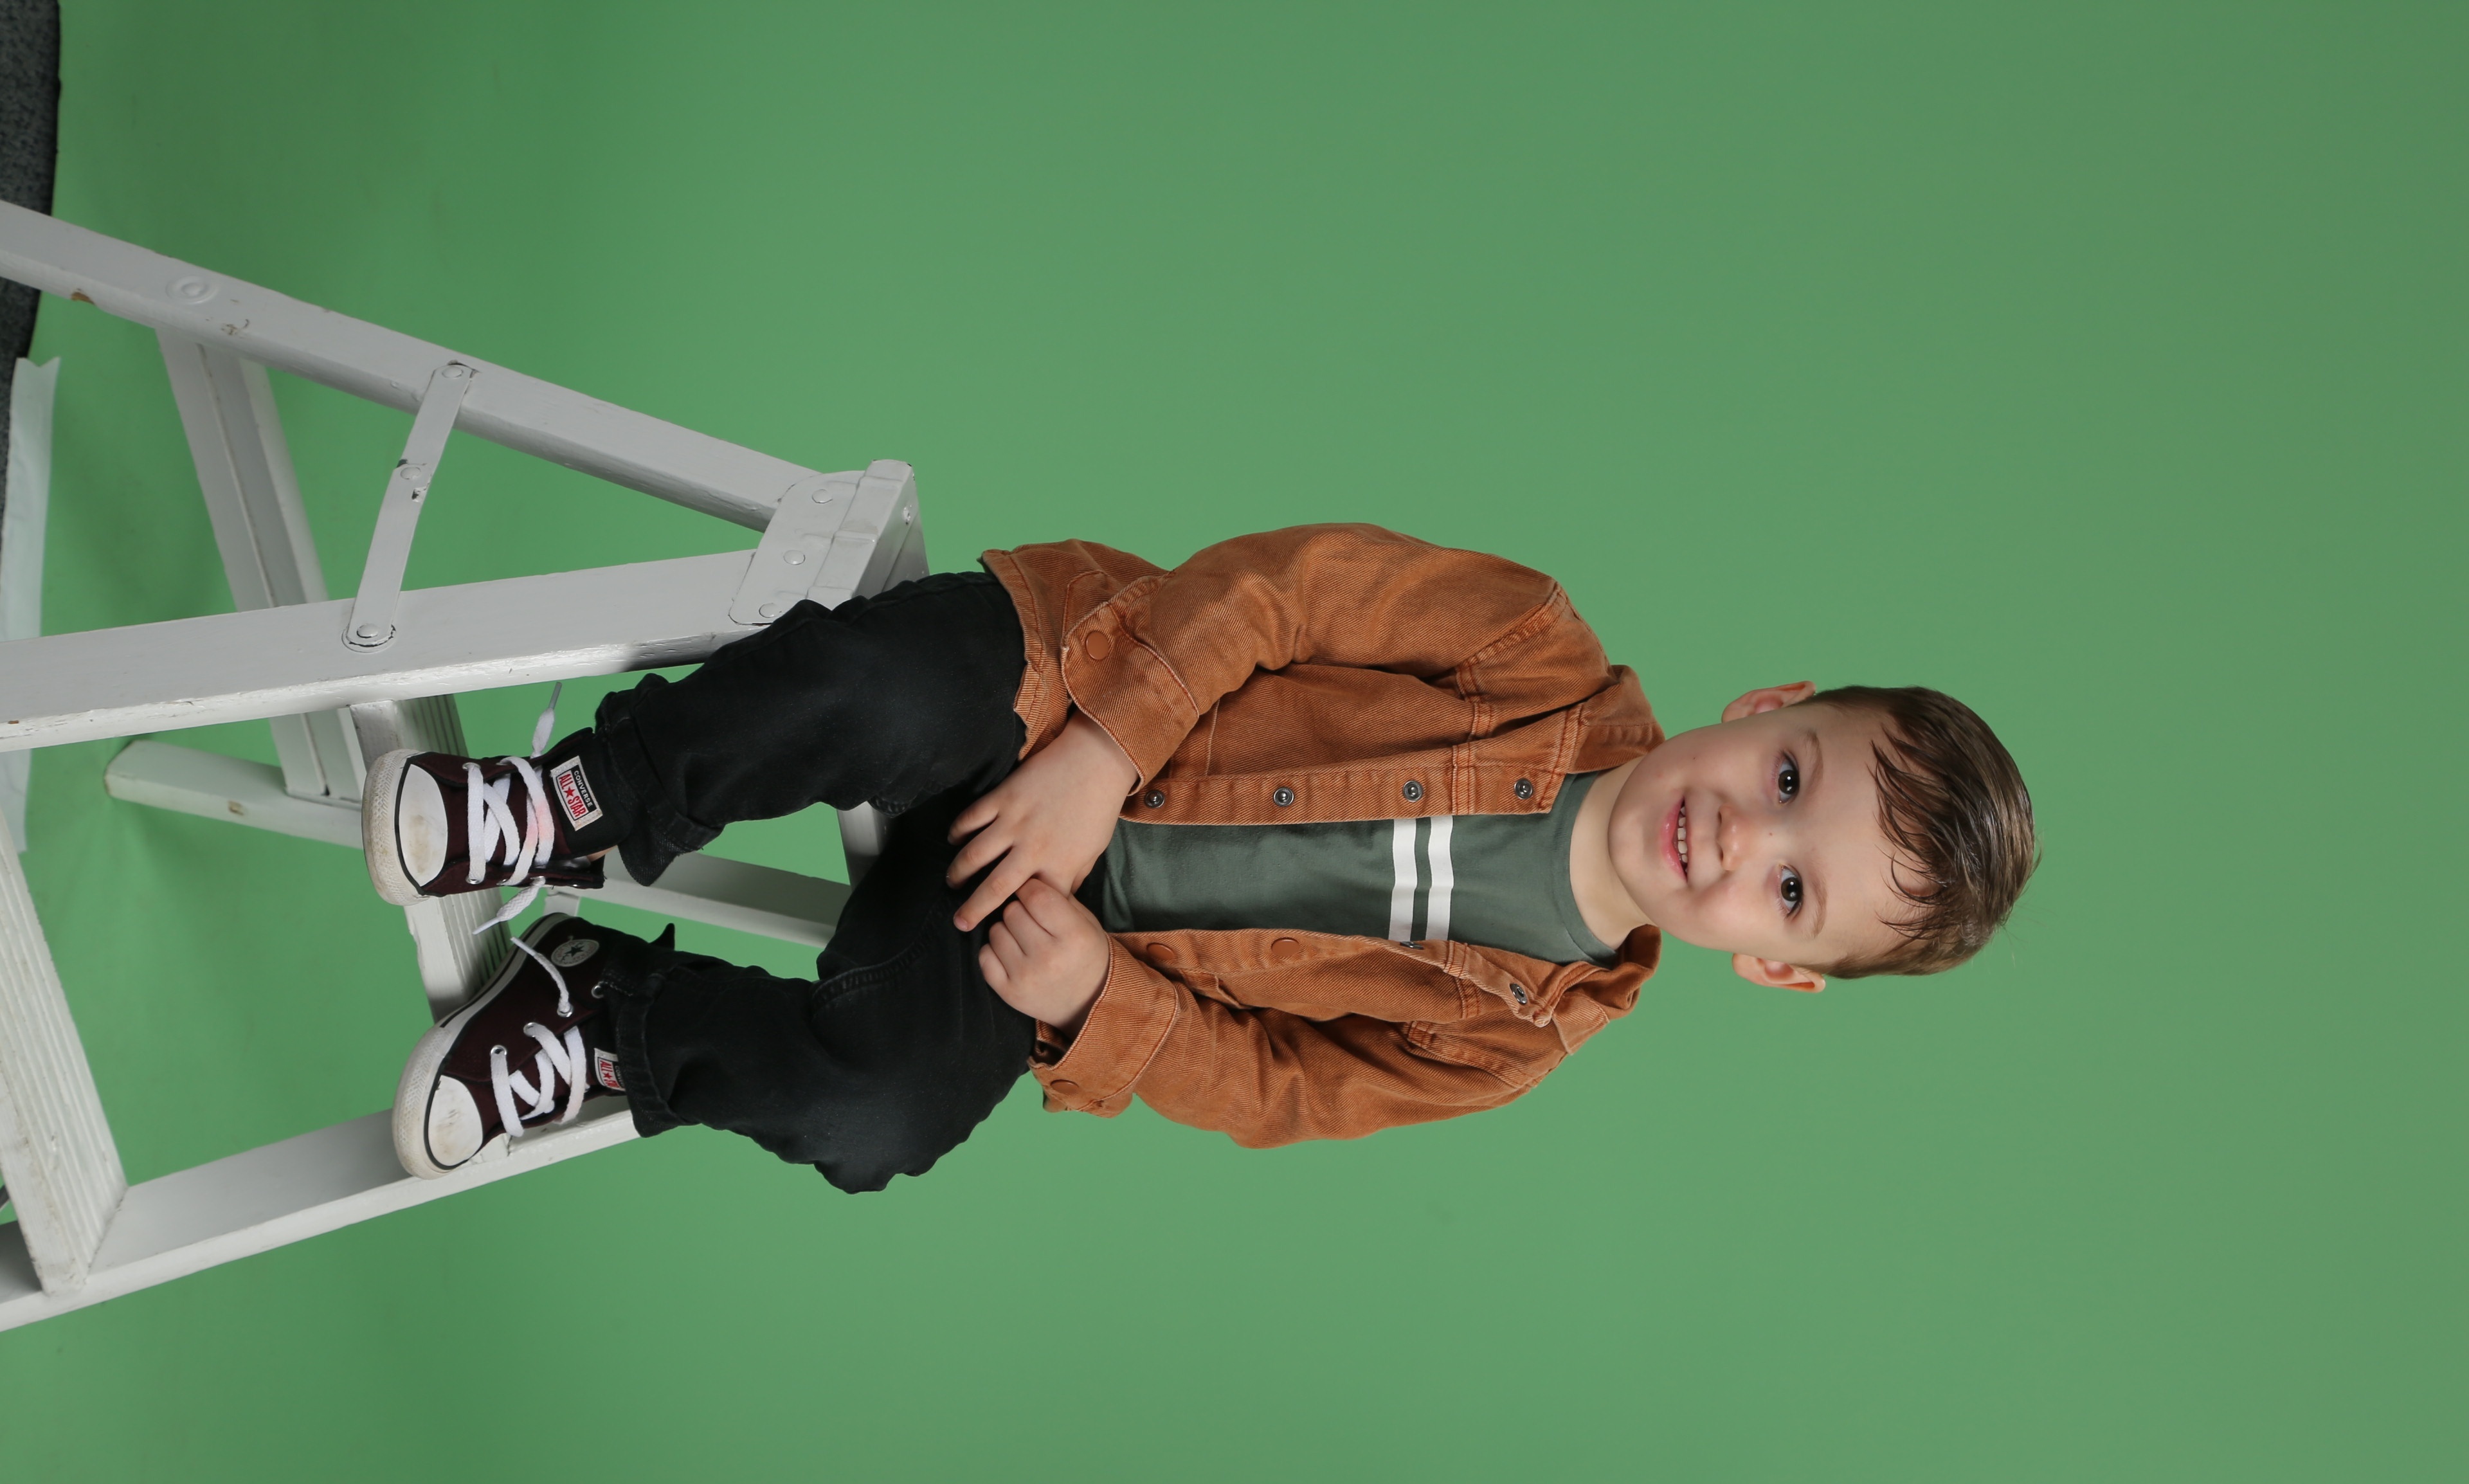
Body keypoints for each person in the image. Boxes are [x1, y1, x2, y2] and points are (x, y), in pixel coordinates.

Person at [359, 525, 2038, 1191]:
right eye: (1790, 778)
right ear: (1768, 706)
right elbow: (1288, 589)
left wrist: (1103, 1000)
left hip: (1041, 931)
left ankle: (610, 1013)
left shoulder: (1510, 1035)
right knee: (877, 690)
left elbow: (1283, 1089)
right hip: (1060, 692)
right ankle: (579, 799)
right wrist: (1104, 750)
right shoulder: (1534, 647)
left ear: (1777, 964)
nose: (1741, 835)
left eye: (1792, 887)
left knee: (884, 1119)